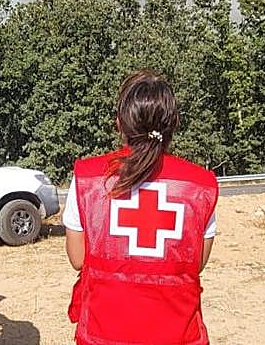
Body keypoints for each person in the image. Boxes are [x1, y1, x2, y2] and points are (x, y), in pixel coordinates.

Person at [63, 70, 218, 345]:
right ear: (175, 123)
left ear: (119, 123)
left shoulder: (87, 178)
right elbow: (197, 264)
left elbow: (78, 258)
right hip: (178, 335)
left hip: (103, 333)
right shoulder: (200, 185)